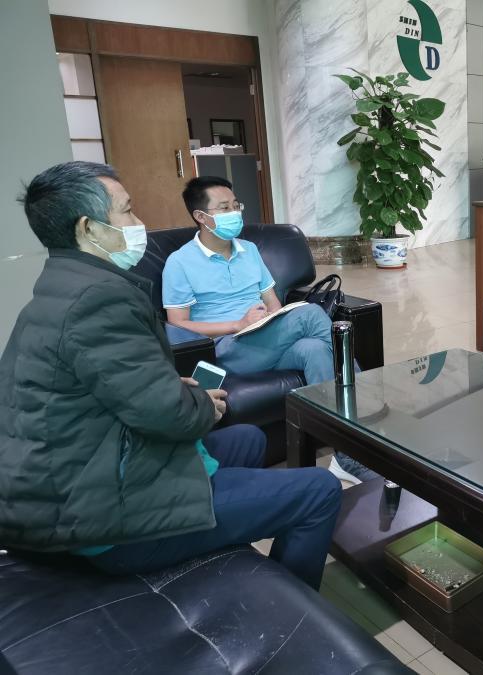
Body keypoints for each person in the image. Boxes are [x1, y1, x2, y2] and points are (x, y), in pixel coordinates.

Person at [0, 161, 341, 589]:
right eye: (127, 210)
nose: (138, 222)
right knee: (319, 490)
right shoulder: (98, 300)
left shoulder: (61, 287)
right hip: (102, 516)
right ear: (89, 228)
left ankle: (228, 564)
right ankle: (290, 610)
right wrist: (195, 401)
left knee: (249, 438)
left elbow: (100, 387)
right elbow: (171, 414)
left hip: (88, 474)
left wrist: (170, 388)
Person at [163, 176, 375, 484]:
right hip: (228, 348)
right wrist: (238, 324)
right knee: (310, 314)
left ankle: (346, 456)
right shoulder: (180, 262)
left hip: (265, 339)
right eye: (224, 207)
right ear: (201, 216)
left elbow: (272, 302)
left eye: (235, 205)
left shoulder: (249, 250)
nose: (234, 212)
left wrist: (273, 320)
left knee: (315, 349)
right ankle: (371, 413)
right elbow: (177, 324)